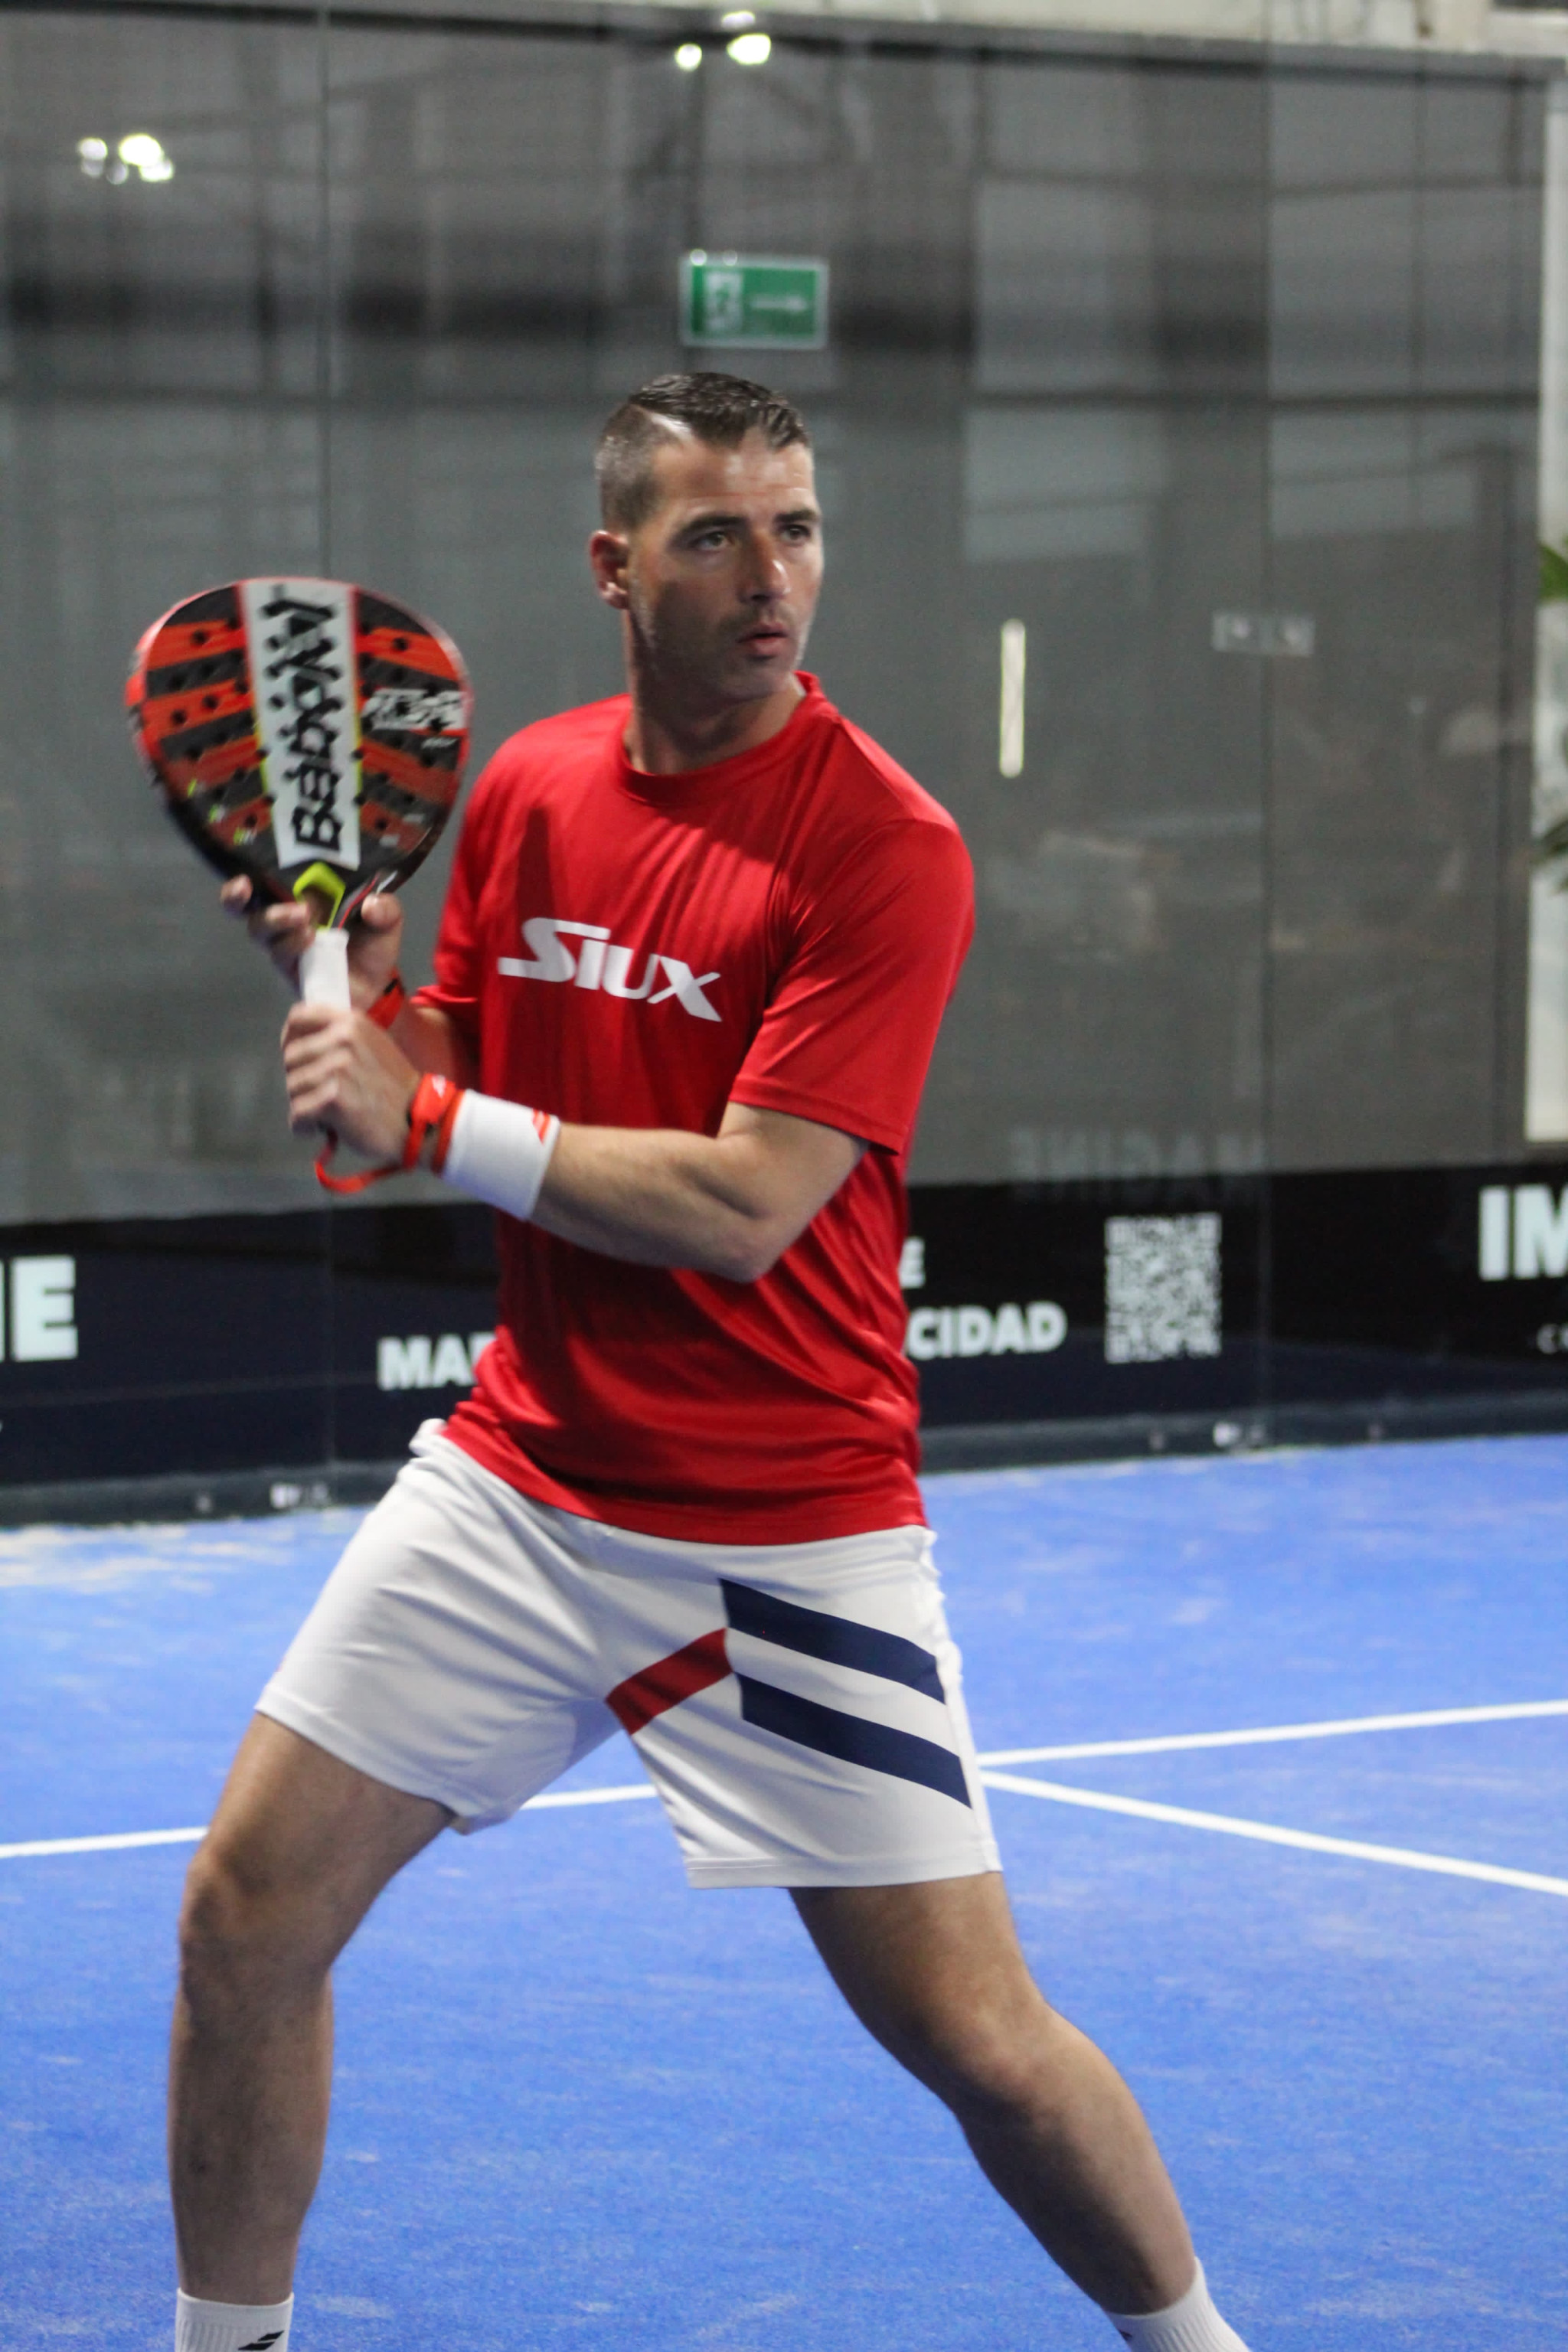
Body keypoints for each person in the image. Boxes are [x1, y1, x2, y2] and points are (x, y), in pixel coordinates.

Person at [170, 372, 1251, 2352]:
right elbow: (453, 1085)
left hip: (784, 1530)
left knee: (983, 2048)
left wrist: (427, 1117)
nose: (774, 577)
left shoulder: (886, 849)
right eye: (717, 535)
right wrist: (367, 1006)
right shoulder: (530, 790)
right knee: (244, 1915)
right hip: (523, 1484)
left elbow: (749, 1205)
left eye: (799, 529)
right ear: (616, 565)